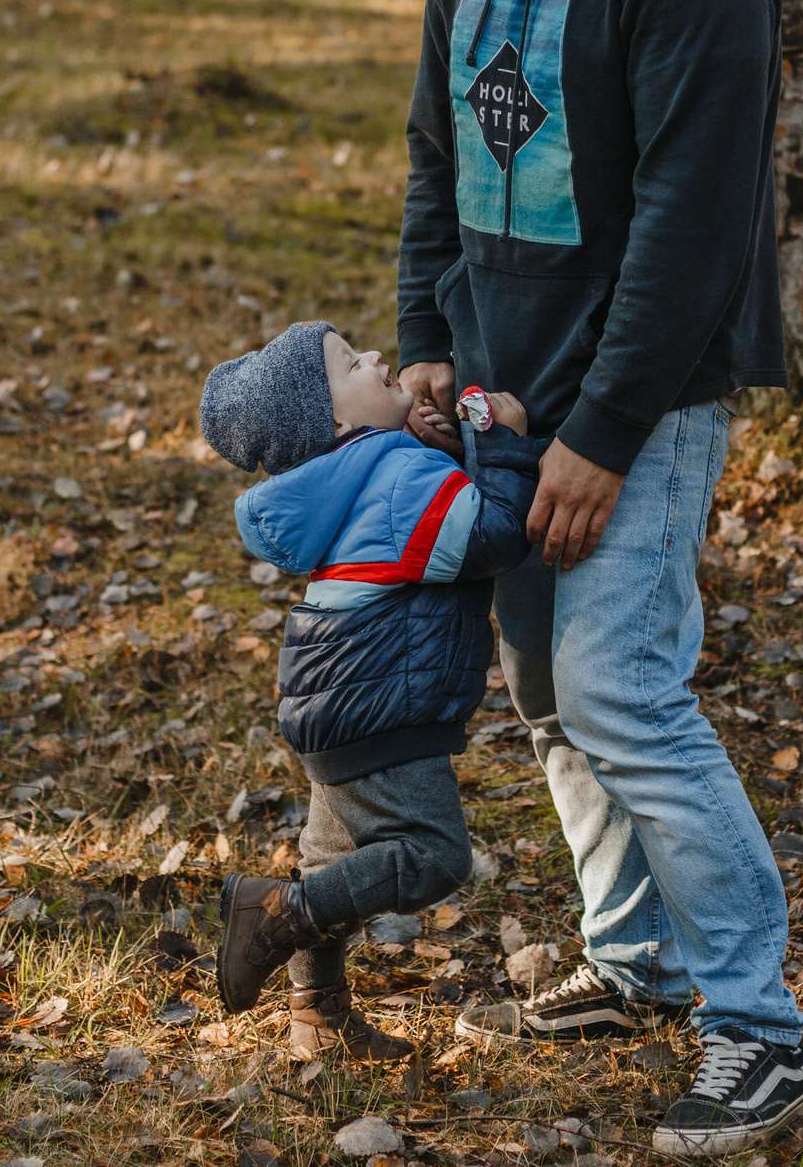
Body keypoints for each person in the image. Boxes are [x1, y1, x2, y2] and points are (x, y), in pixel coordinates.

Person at [375, 0, 803, 1158]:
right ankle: (638, 958)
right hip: (501, 397)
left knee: (627, 693)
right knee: (554, 698)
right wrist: (427, 344)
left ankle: (758, 1030)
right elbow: (437, 156)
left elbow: (698, 228)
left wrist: (604, 430)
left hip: (641, 397)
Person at [200, 318, 549, 1062]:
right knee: (431, 853)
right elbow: (489, 533)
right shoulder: (395, 477)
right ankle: (276, 913)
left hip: (337, 698)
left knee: (333, 860)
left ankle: (316, 1017)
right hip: (381, 702)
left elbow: (420, 512)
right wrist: (510, 444)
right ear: (334, 419)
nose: (376, 357)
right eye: (350, 363)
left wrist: (427, 438)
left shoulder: (363, 471)